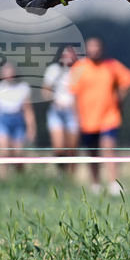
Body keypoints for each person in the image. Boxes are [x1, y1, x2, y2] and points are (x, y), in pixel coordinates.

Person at [70, 36, 130, 195]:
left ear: (102, 49)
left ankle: (114, 183)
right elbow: (73, 94)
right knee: (92, 152)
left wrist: (119, 96)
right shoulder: (79, 67)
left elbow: (129, 79)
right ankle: (95, 184)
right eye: (91, 47)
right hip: (87, 118)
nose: (94, 50)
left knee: (109, 149)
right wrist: (76, 116)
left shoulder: (112, 65)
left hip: (109, 116)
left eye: (96, 47)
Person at [0, 63, 36, 176]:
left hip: (18, 121)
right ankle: (3, 179)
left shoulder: (23, 89)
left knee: (18, 154)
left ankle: (20, 178)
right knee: (4, 153)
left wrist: (31, 127)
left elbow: (28, 110)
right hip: (2, 120)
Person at [42, 45, 80, 177]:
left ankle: (71, 176)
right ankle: (61, 173)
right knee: (58, 148)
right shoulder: (53, 70)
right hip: (56, 111)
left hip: (73, 112)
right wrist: (53, 100)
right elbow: (45, 90)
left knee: (72, 148)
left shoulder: (79, 71)